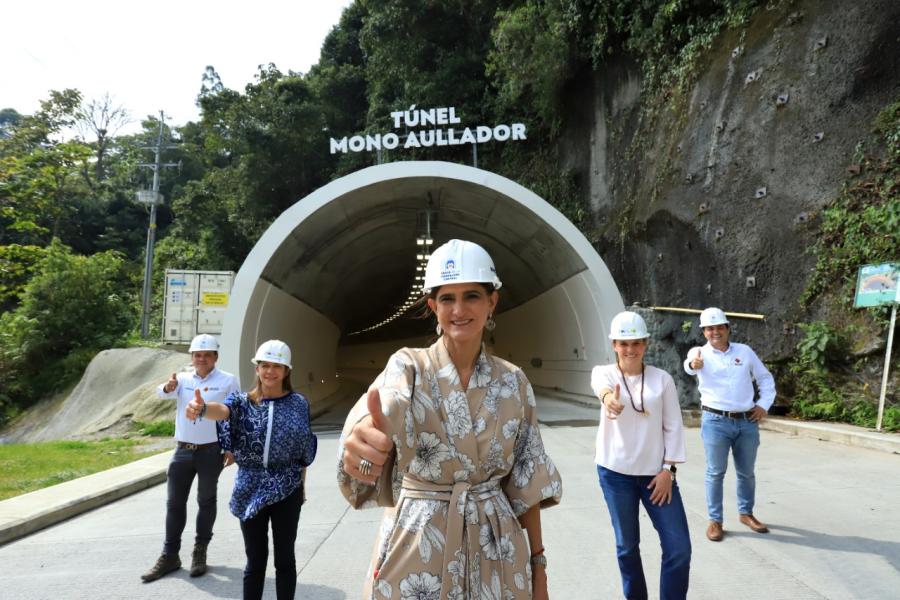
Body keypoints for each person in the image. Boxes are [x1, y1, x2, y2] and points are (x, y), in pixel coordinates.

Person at [338, 239, 562, 600]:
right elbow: (386, 400)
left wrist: (539, 566)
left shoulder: (513, 382)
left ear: (492, 302)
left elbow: (527, 478)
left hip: (497, 546)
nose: (459, 309)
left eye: (471, 295)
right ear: (433, 306)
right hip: (421, 540)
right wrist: (364, 430)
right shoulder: (409, 365)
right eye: (447, 298)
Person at [186, 339, 318, 600]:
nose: (270, 371)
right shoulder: (241, 402)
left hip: (287, 486)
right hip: (250, 486)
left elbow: (303, 451)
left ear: (286, 371)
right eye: (265, 365)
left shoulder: (299, 404)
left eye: (277, 366)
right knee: (255, 560)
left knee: (285, 559)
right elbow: (222, 411)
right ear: (257, 369)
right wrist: (202, 409)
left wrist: (302, 486)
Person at [591, 311, 691, 600]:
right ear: (614, 345)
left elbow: (673, 426)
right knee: (627, 547)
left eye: (636, 343)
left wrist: (668, 471)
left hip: (656, 476)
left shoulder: (662, 380)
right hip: (615, 475)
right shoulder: (604, 373)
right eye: (623, 343)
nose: (630, 349)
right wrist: (609, 399)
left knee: (679, 548)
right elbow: (602, 388)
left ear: (646, 344)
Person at [141, 333, 240, 583]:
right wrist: (167, 387)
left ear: (216, 357)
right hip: (183, 451)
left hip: (211, 451)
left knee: (206, 501)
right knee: (174, 504)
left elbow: (235, 415)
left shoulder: (228, 380)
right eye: (198, 355)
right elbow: (161, 393)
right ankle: (170, 555)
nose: (202, 359)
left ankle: (200, 551)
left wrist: (232, 447)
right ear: (192, 358)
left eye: (207, 355)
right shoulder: (182, 379)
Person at [683, 307, 776, 542]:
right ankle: (715, 521)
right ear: (704, 331)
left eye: (719, 327)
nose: (715, 331)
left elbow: (764, 378)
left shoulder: (744, 352)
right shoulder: (699, 353)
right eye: (710, 328)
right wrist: (693, 365)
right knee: (715, 472)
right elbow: (690, 365)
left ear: (727, 328)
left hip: (746, 421)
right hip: (715, 422)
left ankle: (746, 514)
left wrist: (763, 405)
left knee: (746, 473)